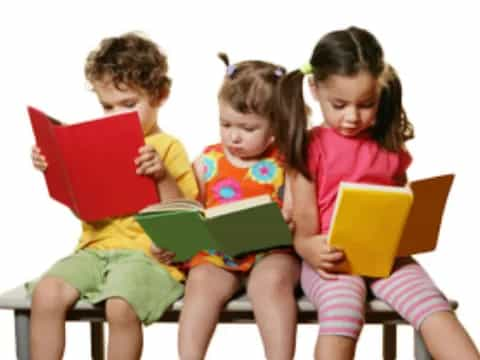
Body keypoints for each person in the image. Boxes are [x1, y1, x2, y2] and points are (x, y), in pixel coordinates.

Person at [274, 26, 480, 360]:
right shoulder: (308, 148)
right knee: (343, 309)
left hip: (387, 259)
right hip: (333, 261)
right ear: (314, 89)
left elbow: (398, 205)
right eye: (339, 105)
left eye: (366, 104)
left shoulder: (389, 147)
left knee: (433, 308)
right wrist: (312, 249)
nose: (352, 117)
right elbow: (304, 235)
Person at [28, 32, 198, 360]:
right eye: (107, 106)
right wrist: (57, 168)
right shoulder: (97, 144)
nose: (117, 115)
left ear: (160, 95)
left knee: (120, 305)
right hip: (95, 251)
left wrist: (161, 175)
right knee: (46, 293)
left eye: (129, 105)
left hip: (147, 257)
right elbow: (88, 210)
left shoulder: (167, 148)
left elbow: (186, 220)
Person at [177, 54, 299, 360]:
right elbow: (189, 209)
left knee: (271, 283)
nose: (234, 135)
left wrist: (290, 217)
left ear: (275, 124)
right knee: (201, 282)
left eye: (248, 128)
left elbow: (297, 212)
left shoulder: (285, 162)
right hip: (219, 254)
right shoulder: (208, 161)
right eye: (226, 123)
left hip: (271, 251)